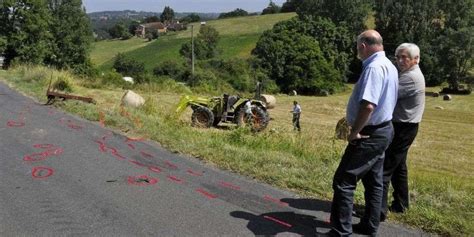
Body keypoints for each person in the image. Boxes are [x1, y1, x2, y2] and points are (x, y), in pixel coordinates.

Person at [322, 30, 398, 237]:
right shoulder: (390, 65)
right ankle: (369, 226)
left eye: (357, 47)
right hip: (384, 130)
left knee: (343, 181)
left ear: (363, 46)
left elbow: (368, 105)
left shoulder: (373, 68)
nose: (357, 51)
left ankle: (340, 231)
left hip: (369, 133)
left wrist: (354, 132)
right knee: (374, 181)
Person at [381, 43, 425, 221]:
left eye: (404, 57)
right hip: (407, 125)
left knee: (384, 168)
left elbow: (387, 95)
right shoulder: (408, 74)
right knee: (399, 167)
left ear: (416, 59)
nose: (399, 60)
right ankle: (400, 204)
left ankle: (377, 211)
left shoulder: (411, 78)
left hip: (402, 127)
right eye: (397, 56)